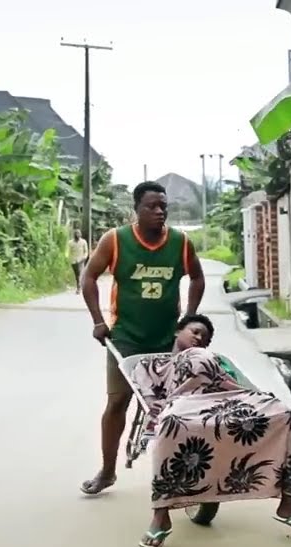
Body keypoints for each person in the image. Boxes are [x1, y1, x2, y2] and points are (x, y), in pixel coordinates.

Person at [132, 313, 291, 547]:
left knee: (282, 414)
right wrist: (155, 402)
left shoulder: (214, 359)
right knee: (171, 423)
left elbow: (234, 383)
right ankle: (160, 515)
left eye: (205, 338)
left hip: (223, 400)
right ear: (178, 332)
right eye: (195, 332)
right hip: (183, 403)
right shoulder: (152, 364)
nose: (200, 339)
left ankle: (289, 502)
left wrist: (253, 396)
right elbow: (146, 390)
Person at [79, 181, 206, 496]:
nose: (159, 211)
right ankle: (107, 471)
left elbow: (198, 277)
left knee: (176, 407)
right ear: (136, 209)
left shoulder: (180, 243)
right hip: (126, 339)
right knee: (117, 402)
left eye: (164, 206)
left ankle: (182, 471)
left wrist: (189, 318)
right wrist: (98, 320)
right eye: (152, 206)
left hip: (167, 339)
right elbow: (89, 276)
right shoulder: (116, 240)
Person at [68, 228, 89, 294]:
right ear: (74, 235)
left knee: (80, 274)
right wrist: (69, 258)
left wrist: (84, 258)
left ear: (80, 234)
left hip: (81, 261)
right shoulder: (70, 243)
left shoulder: (83, 242)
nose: (77, 235)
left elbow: (86, 252)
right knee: (77, 275)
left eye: (78, 233)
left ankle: (79, 288)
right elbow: (68, 252)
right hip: (74, 261)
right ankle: (79, 285)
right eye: (76, 233)